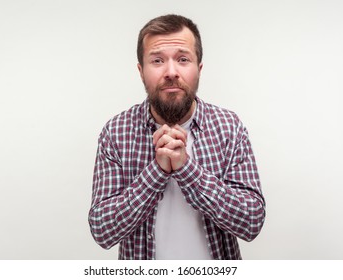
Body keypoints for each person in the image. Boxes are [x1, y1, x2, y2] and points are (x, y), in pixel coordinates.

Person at [88, 14, 265, 260]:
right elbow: (102, 230)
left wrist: (186, 169)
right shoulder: (116, 132)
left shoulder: (229, 127)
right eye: (157, 60)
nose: (171, 72)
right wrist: (156, 172)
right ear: (141, 71)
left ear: (199, 68)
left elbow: (252, 222)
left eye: (183, 59)